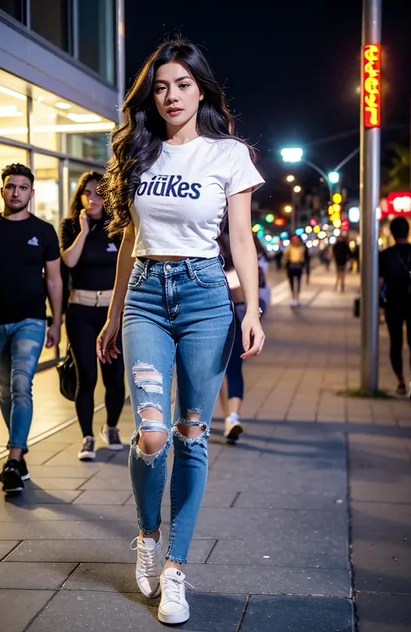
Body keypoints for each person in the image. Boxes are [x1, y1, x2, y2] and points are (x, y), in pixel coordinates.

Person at [96, 39, 265, 625]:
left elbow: (240, 239)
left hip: (205, 300)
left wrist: (252, 310)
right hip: (145, 293)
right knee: (150, 433)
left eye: (183, 85)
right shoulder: (139, 154)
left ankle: (175, 571)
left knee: (193, 433)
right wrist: (114, 315)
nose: (171, 96)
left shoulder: (229, 155)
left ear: (201, 90)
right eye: (162, 86)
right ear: (153, 93)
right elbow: (127, 244)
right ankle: (146, 533)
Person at [0, 163, 62, 493]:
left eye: (22, 187)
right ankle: (19, 456)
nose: (15, 192)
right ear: (2, 190)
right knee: (6, 390)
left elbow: (55, 280)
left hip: (30, 320)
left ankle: (13, 458)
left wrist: (56, 322)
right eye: (10, 186)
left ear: (32, 193)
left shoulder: (45, 231)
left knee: (21, 384)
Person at [59, 171, 125, 460]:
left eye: (99, 192)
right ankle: (86, 436)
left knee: (114, 376)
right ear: (80, 196)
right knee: (86, 376)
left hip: (112, 313)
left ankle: (111, 427)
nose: (92, 198)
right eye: (87, 192)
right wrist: (84, 232)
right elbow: (69, 261)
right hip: (81, 312)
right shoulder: (71, 225)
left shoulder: (119, 226)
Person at [218, 229, 266, 444]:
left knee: (225, 371)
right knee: (228, 371)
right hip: (233, 322)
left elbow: (241, 298)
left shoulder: (230, 272)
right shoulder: (236, 271)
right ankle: (231, 417)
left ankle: (230, 416)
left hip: (227, 323)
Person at [379, 217, 411, 399]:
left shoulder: (385, 255)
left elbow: (380, 281)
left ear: (391, 234)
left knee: (396, 343)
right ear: (408, 231)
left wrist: (377, 304)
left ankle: (400, 382)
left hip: (393, 304)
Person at [283, 235, 305, 307]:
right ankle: (293, 298)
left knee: (298, 283)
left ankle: (297, 298)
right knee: (291, 283)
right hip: (291, 267)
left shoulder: (301, 248)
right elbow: (285, 257)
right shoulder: (289, 248)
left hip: (298, 266)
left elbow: (304, 258)